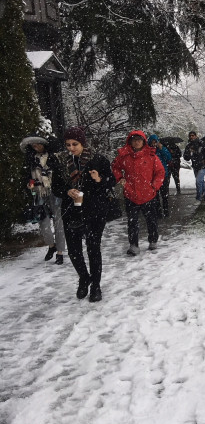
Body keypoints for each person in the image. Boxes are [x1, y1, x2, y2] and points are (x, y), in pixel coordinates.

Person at [60, 127, 116, 302]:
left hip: (94, 210)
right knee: (74, 250)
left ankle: (96, 286)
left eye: (75, 144)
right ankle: (84, 278)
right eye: (68, 144)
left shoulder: (97, 160)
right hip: (71, 211)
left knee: (93, 248)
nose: (71, 148)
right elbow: (56, 186)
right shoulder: (62, 162)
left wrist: (99, 179)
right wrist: (68, 190)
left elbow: (111, 181)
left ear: (82, 143)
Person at [112, 130, 166, 255]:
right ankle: (133, 245)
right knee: (132, 222)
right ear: (130, 141)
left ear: (143, 141)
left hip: (148, 194)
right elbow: (115, 167)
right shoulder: (124, 156)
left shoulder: (151, 156)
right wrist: (120, 178)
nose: (137, 142)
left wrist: (154, 186)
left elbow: (160, 172)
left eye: (139, 140)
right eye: (134, 140)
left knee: (151, 220)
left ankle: (153, 240)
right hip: (130, 194)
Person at [19, 135, 67, 265]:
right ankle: (51, 245)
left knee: (59, 222)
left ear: (44, 144)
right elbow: (26, 177)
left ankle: (60, 252)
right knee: (43, 223)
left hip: (55, 193)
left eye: (38, 144)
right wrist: (29, 184)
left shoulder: (54, 157)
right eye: (33, 145)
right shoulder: (31, 160)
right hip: (39, 193)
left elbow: (61, 175)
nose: (36, 147)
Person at [183, 131, 205, 204]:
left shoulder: (202, 144)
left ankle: (198, 198)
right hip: (195, 166)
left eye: (193, 135)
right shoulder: (189, 146)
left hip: (203, 166)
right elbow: (186, 157)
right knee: (201, 182)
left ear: (196, 136)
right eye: (190, 136)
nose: (191, 137)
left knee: (198, 181)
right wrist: (189, 153)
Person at [148, 134, 172, 217]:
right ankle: (158, 212)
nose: (154, 143)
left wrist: (162, 149)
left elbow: (169, 158)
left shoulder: (162, 149)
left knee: (164, 194)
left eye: (155, 141)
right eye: (152, 142)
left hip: (163, 174)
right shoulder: (148, 150)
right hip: (152, 176)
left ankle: (166, 211)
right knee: (155, 195)